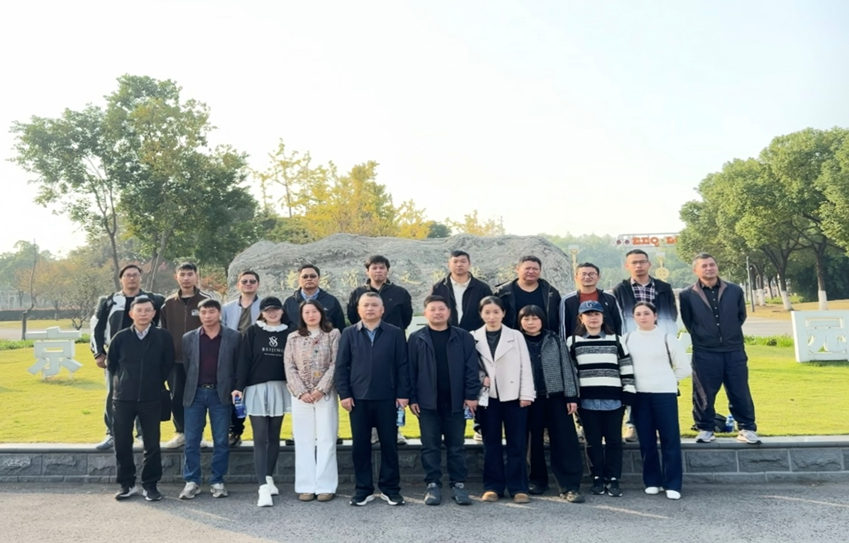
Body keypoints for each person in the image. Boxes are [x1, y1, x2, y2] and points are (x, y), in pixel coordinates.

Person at [336, 292, 410, 506]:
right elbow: (341, 366)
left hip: (388, 398)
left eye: (374, 305)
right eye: (366, 305)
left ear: (382, 309)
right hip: (358, 400)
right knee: (360, 446)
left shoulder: (395, 333)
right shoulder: (349, 333)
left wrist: (403, 393)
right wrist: (345, 394)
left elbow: (402, 365)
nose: (370, 309)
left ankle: (390, 489)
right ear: (359, 309)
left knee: (389, 445)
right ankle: (363, 489)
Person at [679, 253, 760, 445]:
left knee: (740, 391)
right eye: (704, 266)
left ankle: (746, 428)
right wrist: (705, 336)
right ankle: (706, 429)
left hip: (734, 350)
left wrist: (728, 334)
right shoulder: (687, 295)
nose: (709, 268)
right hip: (705, 351)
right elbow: (689, 321)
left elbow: (740, 316)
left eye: (712, 264)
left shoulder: (734, 290)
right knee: (704, 393)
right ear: (696, 270)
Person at [408, 295, 480, 506]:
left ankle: (458, 484)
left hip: (456, 401)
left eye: (441, 309)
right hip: (427, 402)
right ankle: (432, 484)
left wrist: (471, 396)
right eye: (433, 309)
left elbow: (471, 368)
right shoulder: (416, 338)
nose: (437, 313)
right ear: (425, 313)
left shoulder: (463, 337)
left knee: (456, 446)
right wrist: (413, 398)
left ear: (449, 312)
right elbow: (410, 371)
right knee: (429, 446)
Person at [90, 264, 165, 451]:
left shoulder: (154, 300)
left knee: (145, 395)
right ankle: (112, 433)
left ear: (140, 277)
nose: (132, 278)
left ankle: (142, 434)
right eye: (128, 275)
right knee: (113, 394)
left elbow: (163, 326)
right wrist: (99, 353)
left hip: (147, 356)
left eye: (135, 275)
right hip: (117, 356)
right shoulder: (109, 301)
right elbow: (96, 327)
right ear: (121, 278)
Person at [108, 297, 174, 502]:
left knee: (152, 444)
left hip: (151, 397)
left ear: (154, 313)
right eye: (139, 310)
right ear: (131, 314)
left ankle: (150, 485)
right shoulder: (120, 337)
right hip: (123, 398)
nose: (143, 314)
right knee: (122, 442)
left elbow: (167, 363)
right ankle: (127, 484)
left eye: (148, 310)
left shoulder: (162, 336)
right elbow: (112, 364)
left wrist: (154, 382)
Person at [566, 300, 635, 498]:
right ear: (581, 318)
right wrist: (573, 396)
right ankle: (597, 477)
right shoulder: (573, 341)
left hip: (613, 400)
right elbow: (571, 372)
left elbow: (625, 365)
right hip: (587, 401)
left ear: (603, 317)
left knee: (614, 441)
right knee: (592, 442)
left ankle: (613, 479)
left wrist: (628, 391)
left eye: (596, 314)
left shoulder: (616, 340)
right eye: (588, 314)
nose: (593, 318)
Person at [623, 302, 691, 500]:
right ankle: (652, 481)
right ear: (634, 318)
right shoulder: (627, 339)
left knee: (670, 439)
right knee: (646, 440)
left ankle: (673, 483)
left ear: (655, 315)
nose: (642, 317)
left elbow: (684, 368)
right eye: (638, 314)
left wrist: (668, 380)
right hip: (639, 396)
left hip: (664, 395)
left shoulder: (667, 338)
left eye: (646, 313)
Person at [517, 305, 584, 503]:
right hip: (529, 398)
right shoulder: (516, 341)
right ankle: (537, 481)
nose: (531, 323)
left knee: (565, 441)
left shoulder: (554, 339)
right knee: (533, 442)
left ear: (542, 320)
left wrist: (571, 396)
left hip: (556, 397)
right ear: (520, 322)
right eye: (526, 319)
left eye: (535, 318)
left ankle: (569, 485)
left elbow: (567, 368)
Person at [472, 296, 535, 504]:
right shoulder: (473, 337)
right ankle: (493, 486)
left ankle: (518, 487)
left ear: (503, 313)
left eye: (496, 312)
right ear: (481, 314)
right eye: (487, 312)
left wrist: (526, 394)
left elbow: (525, 366)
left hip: (514, 396)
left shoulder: (515, 336)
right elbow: (470, 367)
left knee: (517, 444)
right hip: (487, 397)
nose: (492, 316)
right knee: (491, 443)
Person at [612, 249, 678, 443]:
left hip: (658, 341)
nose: (638, 265)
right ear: (627, 266)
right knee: (632, 383)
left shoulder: (663, 287)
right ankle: (632, 425)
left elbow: (672, 314)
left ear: (650, 264)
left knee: (659, 383)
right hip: (632, 342)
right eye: (634, 262)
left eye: (642, 261)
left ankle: (658, 425)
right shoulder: (620, 289)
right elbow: (617, 317)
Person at [346, 255, 412, 446]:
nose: (378, 271)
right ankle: (372, 433)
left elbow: (406, 317)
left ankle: (395, 430)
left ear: (387, 270)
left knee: (395, 385)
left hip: (393, 343)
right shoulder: (358, 292)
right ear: (367, 271)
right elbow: (352, 316)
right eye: (374, 268)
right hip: (365, 343)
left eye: (382, 267)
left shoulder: (399, 292)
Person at [179, 299, 241, 500]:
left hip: (220, 394)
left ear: (219, 313)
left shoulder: (233, 337)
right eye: (203, 312)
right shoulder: (189, 338)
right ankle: (192, 481)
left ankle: (217, 480)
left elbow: (238, 366)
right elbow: (187, 366)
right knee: (192, 440)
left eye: (211, 312)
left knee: (221, 440)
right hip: (195, 393)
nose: (207, 316)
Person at [233, 296, 292, 507]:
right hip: (256, 388)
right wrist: (238, 387)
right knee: (260, 437)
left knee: (274, 435)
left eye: (276, 309)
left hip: (280, 388)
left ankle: (268, 477)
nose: (272, 313)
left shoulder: (290, 332)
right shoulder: (253, 331)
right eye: (268, 310)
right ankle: (262, 487)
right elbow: (244, 360)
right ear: (262, 312)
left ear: (282, 311)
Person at [284, 300, 341, 503]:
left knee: (327, 439)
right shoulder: (293, 337)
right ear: (301, 316)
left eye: (314, 311)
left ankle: (326, 486)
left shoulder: (333, 334)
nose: (311, 315)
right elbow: (289, 366)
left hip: (324, 393)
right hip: (301, 396)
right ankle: (306, 486)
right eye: (306, 312)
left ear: (321, 313)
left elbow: (335, 363)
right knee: (303, 440)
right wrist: (301, 392)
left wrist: (320, 389)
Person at [160, 262, 210, 449]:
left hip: (201, 359)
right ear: (176, 277)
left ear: (196, 276)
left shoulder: (206, 301)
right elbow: (163, 333)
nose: (186, 278)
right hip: (175, 360)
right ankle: (181, 432)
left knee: (199, 397)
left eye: (190, 274)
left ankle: (198, 433)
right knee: (177, 397)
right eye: (182, 274)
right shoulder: (168, 304)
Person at [221, 270, 263, 447]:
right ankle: (235, 430)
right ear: (238, 285)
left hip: (257, 357)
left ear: (258, 284)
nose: (248, 284)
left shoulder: (264, 306)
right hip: (233, 356)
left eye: (252, 281)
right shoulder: (227, 308)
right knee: (235, 393)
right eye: (244, 281)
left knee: (256, 395)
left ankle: (262, 433)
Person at [493, 255, 561, 333]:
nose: (531, 271)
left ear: (540, 271)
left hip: (545, 338)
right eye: (527, 268)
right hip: (511, 337)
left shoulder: (551, 293)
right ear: (517, 269)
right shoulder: (502, 293)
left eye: (535, 269)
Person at [429, 250, 493, 332]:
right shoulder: (438, 288)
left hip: (475, 334)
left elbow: (490, 311)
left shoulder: (482, 288)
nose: (459, 264)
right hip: (446, 333)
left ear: (469, 264)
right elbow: (431, 311)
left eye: (463, 261)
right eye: (455, 261)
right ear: (449, 264)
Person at [560, 262, 622, 340]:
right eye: (583, 274)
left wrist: (619, 342)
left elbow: (618, 323)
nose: (587, 277)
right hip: (577, 342)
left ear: (598, 277)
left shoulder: (609, 298)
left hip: (607, 341)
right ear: (576, 277)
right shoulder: (568, 300)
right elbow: (563, 327)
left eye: (591, 274)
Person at [282, 264, 346, 331]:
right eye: (305, 277)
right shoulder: (289, 303)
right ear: (299, 280)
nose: (309, 279)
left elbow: (340, 327)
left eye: (313, 276)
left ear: (319, 278)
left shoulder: (331, 301)